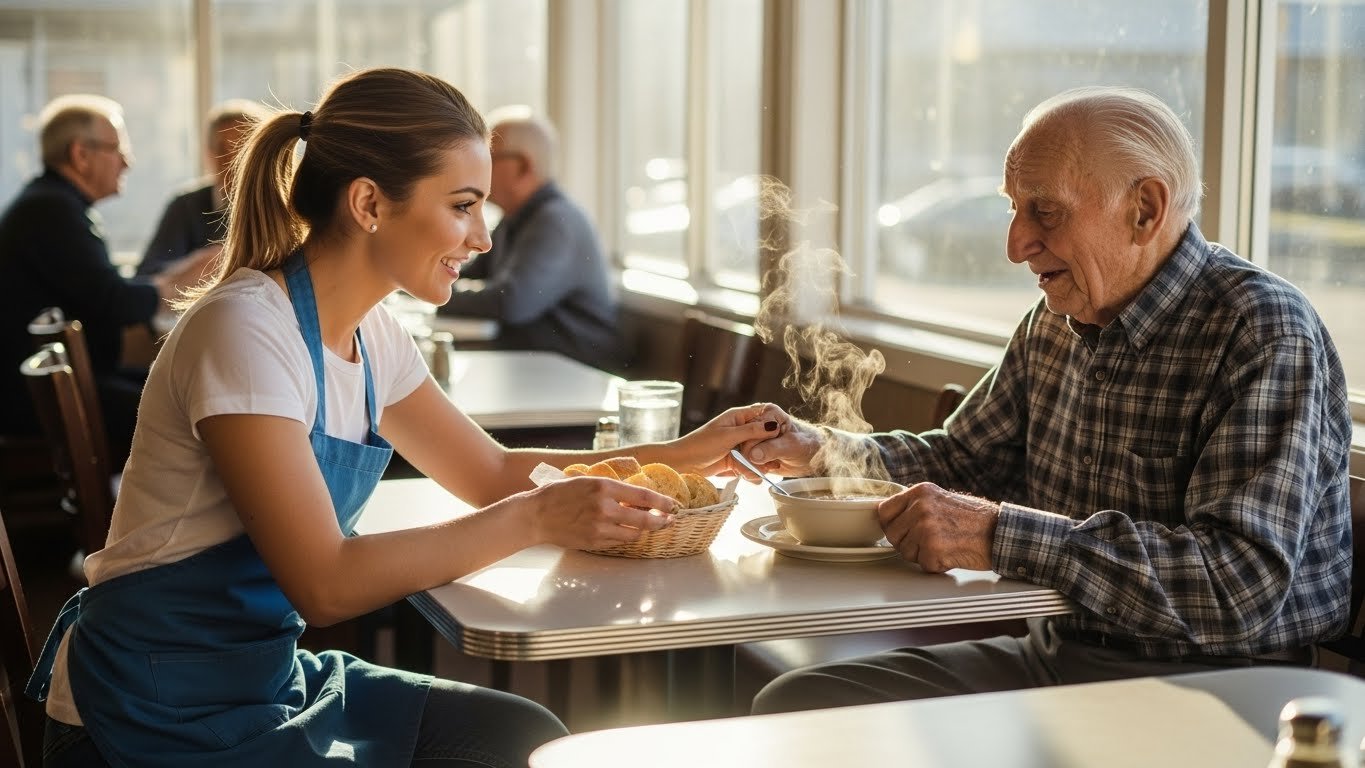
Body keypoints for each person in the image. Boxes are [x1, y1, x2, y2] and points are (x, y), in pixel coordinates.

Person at [23, 67, 775, 768]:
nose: (482, 238)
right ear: (369, 204)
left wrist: (684, 453)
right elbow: (325, 584)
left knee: (522, 736)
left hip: (262, 673)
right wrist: (536, 519)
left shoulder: (372, 330)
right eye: (461, 206)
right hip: (150, 707)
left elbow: (487, 473)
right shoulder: (246, 330)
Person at [735, 86, 1354, 714]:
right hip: (1055, 655)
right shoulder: (1055, 320)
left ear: (1144, 209)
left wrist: (999, 535)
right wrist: (826, 453)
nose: (1015, 244)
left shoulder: (1261, 331)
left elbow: (1236, 586)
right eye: (1013, 209)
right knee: (802, 703)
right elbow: (965, 461)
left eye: (1045, 211)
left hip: (1222, 686)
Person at [0, 94, 211, 469]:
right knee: (187, 413)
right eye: (118, 149)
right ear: (81, 154)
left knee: (178, 389)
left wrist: (181, 274)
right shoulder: (51, 211)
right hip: (29, 399)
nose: (127, 162)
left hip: (62, 381)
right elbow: (116, 302)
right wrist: (183, 281)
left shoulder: (52, 204)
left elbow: (105, 292)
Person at [437, 110, 628, 371]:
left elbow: (511, 302)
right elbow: (467, 275)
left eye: (488, 157)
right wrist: (430, 281)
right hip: (537, 369)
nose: (477, 167)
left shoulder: (556, 221)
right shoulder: (515, 219)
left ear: (523, 166)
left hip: (576, 375)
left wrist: (432, 290)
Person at [136, 99, 269, 278]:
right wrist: (203, 264)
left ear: (261, 154)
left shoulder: (282, 207)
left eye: (241, 149)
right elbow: (148, 276)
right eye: (222, 149)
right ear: (208, 154)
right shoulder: (185, 206)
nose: (230, 160)